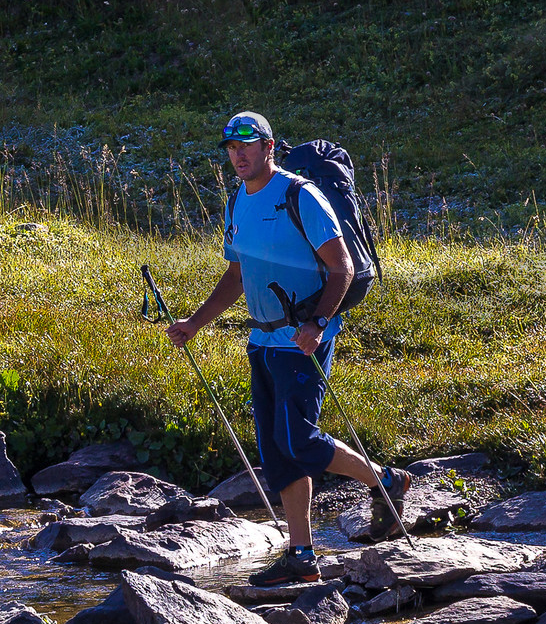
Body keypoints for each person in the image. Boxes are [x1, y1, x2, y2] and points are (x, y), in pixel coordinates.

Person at [164, 110, 410, 588]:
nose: (238, 155)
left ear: (268, 147)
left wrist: (317, 323)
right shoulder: (240, 200)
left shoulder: (300, 195)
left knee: (298, 438)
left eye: (247, 146)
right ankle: (302, 555)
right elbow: (236, 275)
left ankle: (386, 480)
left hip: (303, 338)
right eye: (232, 148)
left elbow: (339, 269)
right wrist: (195, 322)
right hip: (262, 339)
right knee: (277, 452)